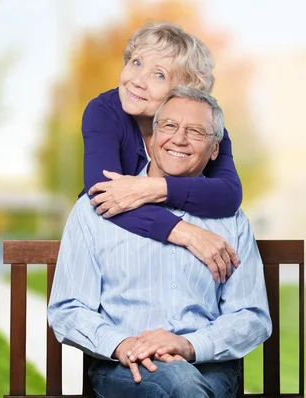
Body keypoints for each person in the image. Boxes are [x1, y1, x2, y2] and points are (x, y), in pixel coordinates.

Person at [48, 87, 271, 398]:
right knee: (181, 385)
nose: (179, 139)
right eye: (169, 126)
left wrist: (189, 345)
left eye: (195, 131)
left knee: (186, 384)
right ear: (151, 138)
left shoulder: (230, 219)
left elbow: (251, 315)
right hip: (123, 365)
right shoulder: (96, 207)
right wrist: (122, 345)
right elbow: (68, 308)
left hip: (207, 363)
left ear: (215, 149)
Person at [81, 22, 242, 283]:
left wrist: (153, 188)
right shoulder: (104, 112)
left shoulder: (202, 126)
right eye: (136, 63)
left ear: (183, 93)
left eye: (159, 75)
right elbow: (103, 194)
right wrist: (189, 234)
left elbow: (229, 194)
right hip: (118, 256)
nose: (137, 81)